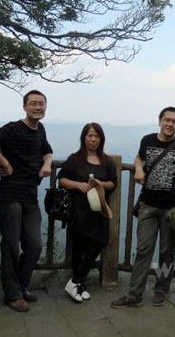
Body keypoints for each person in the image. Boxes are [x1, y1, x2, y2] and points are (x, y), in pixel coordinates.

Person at [111, 107, 175, 308]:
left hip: (171, 209)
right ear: (160, 120)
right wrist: (139, 168)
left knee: (167, 251)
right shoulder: (147, 140)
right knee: (143, 249)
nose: (170, 124)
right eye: (167, 120)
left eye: (174, 121)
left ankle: (161, 289)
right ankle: (134, 294)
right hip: (148, 205)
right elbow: (139, 157)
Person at [0, 90, 53, 313]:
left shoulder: (40, 129)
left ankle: (20, 286)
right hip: (10, 194)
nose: (38, 107)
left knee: (34, 245)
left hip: (29, 195)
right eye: (33, 103)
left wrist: (47, 164)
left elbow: (47, 151)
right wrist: (4, 163)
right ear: (24, 107)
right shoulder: (13, 128)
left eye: (41, 104)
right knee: (11, 245)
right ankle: (13, 294)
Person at [58, 123, 117, 303]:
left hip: (98, 210)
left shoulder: (107, 161)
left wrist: (100, 184)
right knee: (78, 248)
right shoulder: (75, 159)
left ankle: (75, 282)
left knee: (97, 244)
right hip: (79, 210)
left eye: (97, 136)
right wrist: (78, 185)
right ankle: (79, 285)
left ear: (101, 139)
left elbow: (113, 183)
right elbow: (62, 179)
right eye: (90, 135)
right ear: (84, 138)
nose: (93, 139)